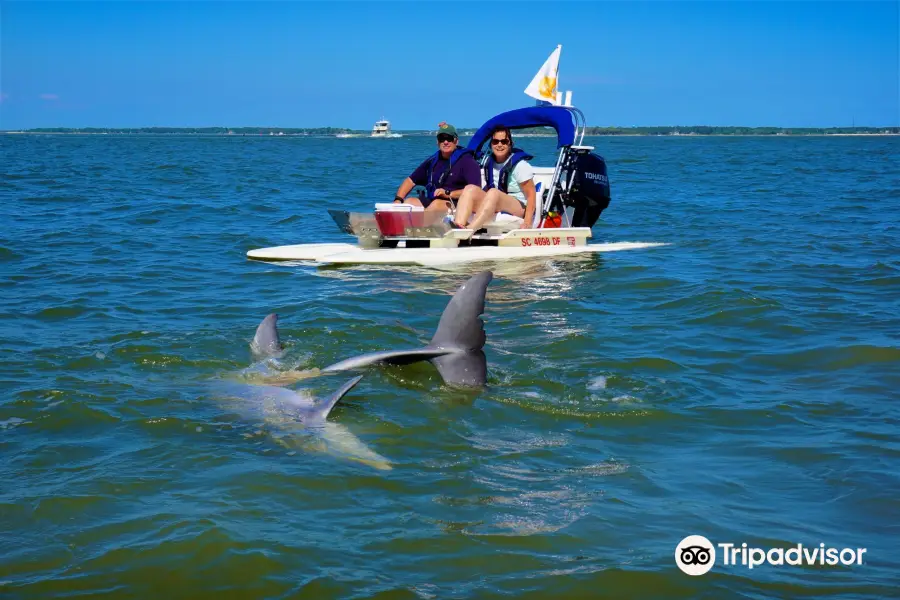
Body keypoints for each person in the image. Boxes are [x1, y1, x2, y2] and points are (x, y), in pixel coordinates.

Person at [453, 125, 536, 231]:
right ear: (491, 144)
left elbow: (531, 195)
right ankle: (458, 226)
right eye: (495, 141)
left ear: (510, 144)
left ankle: (471, 229)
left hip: (518, 206)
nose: (499, 145)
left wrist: (528, 222)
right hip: (496, 201)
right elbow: (487, 189)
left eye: (504, 141)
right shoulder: (489, 163)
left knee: (493, 192)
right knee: (470, 188)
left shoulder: (520, 166)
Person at [392, 122, 481, 213]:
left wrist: (448, 194)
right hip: (433, 200)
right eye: (442, 139)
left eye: (449, 139)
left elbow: (475, 192)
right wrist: (398, 200)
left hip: (457, 202)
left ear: (456, 141)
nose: (445, 142)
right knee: (409, 202)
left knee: (436, 205)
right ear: (437, 142)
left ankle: (420, 225)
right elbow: (410, 181)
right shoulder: (432, 161)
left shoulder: (468, 161)